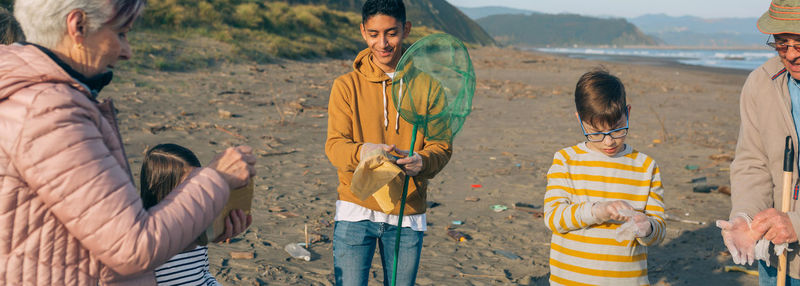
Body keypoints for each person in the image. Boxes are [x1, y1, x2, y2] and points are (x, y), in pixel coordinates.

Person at [0, 0, 256, 285]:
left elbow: (89, 239)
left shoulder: (32, 97)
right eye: (121, 33)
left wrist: (198, 230)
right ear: (78, 26)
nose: (127, 52)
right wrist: (216, 179)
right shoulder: (50, 112)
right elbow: (133, 248)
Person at [324, 0, 452, 284]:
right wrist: (363, 152)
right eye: (373, 34)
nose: (382, 43)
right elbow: (334, 146)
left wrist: (424, 161)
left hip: (407, 214)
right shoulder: (346, 86)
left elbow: (441, 147)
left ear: (406, 29)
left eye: (391, 33)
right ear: (362, 31)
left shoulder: (429, 87)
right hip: (355, 210)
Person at [543, 69, 666, 285]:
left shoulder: (646, 166)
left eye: (617, 129)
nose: (608, 142)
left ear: (627, 113)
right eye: (596, 133)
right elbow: (553, 218)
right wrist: (597, 211)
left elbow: (659, 229)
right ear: (580, 120)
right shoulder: (565, 160)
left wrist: (647, 227)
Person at [721, 0, 800, 283]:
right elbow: (752, 162)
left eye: (799, 43)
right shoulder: (761, 82)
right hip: (779, 261)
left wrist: (797, 224)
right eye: (781, 43)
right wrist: (745, 215)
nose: (791, 55)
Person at [140, 144, 250, 286]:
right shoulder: (146, 241)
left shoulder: (197, 227)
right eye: (190, 187)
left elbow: (203, 274)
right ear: (162, 191)